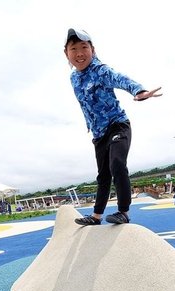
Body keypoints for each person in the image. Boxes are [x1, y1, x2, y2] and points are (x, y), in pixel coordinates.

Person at [64, 28, 161, 226]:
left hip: (118, 125)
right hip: (99, 135)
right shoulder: (73, 78)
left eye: (84, 47)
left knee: (116, 163)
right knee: (103, 175)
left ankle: (123, 212)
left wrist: (138, 90)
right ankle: (96, 216)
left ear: (93, 49)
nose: (80, 53)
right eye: (74, 49)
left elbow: (120, 79)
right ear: (66, 53)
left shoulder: (101, 71)